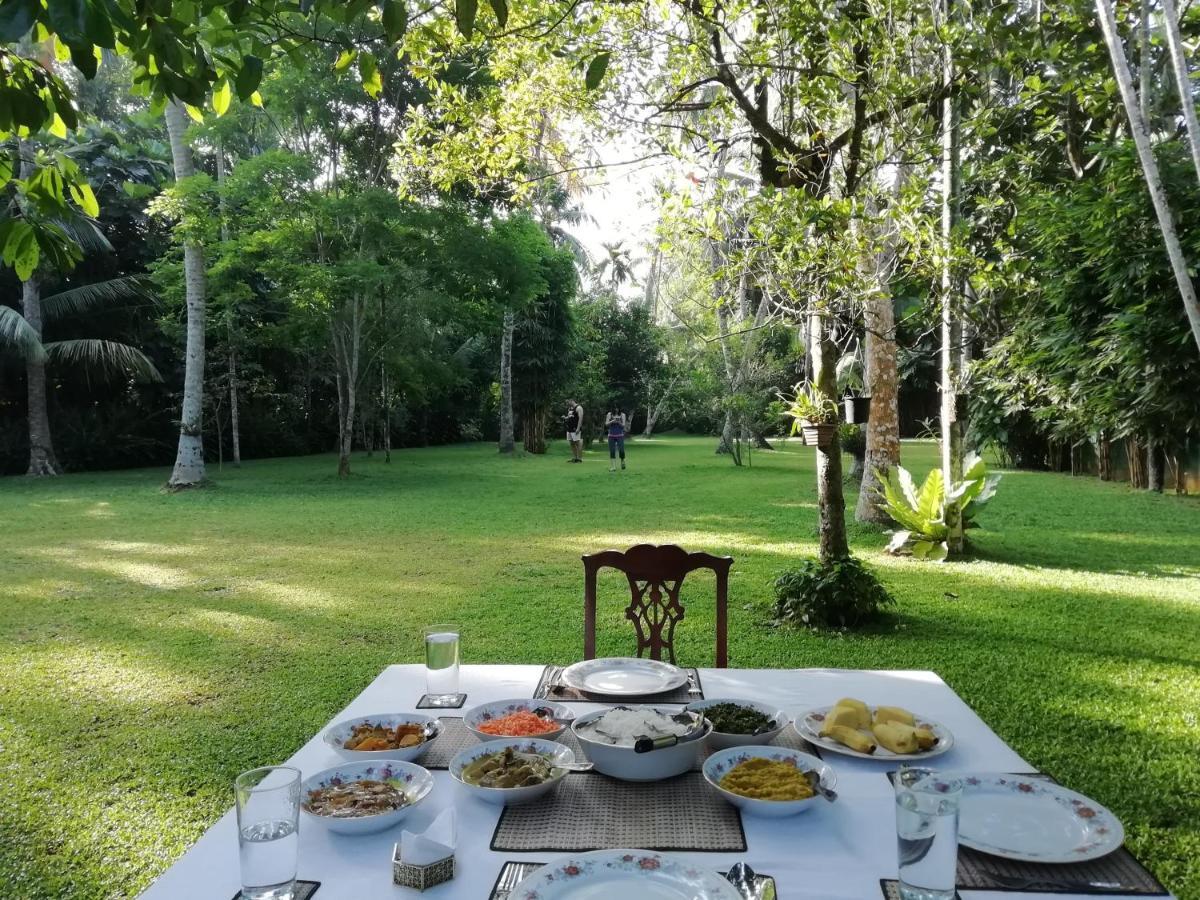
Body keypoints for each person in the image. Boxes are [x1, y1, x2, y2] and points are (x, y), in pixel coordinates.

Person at [605, 406, 628, 472]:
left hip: (620, 435)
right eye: (615, 408)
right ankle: (613, 467)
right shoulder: (609, 414)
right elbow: (606, 424)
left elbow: (623, 425)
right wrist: (612, 421)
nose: (616, 409)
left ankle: (622, 460)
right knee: (612, 451)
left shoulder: (623, 415)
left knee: (621, 450)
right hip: (611, 435)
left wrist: (618, 422)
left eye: (617, 408)